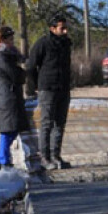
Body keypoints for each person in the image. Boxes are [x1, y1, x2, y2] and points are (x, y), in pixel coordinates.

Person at [0, 26, 44, 174]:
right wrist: (23, 71)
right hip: (7, 97)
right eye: (10, 39)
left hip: (9, 96)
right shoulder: (0, 56)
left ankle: (1, 160)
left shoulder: (4, 54)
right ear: (2, 40)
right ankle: (2, 160)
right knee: (9, 130)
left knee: (10, 129)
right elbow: (14, 75)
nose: (13, 42)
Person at [28, 14, 74, 169]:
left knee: (60, 123)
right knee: (46, 123)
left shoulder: (67, 44)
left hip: (63, 88)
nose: (65, 31)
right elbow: (31, 66)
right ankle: (44, 157)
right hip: (47, 88)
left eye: (66, 27)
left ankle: (56, 156)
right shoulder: (43, 43)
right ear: (52, 29)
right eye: (62, 28)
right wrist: (36, 84)